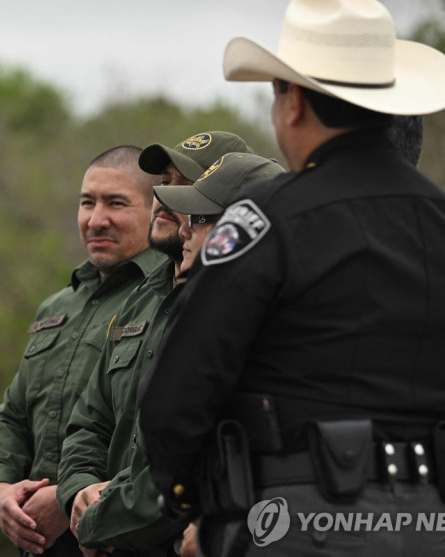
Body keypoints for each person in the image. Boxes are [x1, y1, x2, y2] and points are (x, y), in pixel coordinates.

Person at [139, 1, 445, 556]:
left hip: (297, 527)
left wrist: (190, 503)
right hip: (435, 528)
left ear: (294, 101)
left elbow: (175, 394)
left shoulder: (264, 219)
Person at [58, 147, 283, 556]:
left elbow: (181, 462)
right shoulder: (155, 301)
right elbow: (90, 421)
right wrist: (79, 494)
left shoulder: (254, 327)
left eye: (198, 217)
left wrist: (100, 522)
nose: (183, 230)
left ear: (241, 229)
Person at [0, 146, 166, 556]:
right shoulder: (57, 307)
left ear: (158, 210)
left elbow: (158, 434)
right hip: (35, 538)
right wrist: (0, 488)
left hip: (117, 537)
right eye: (87, 203)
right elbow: (11, 415)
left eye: (116, 203)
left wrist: (69, 499)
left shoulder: (167, 299)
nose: (96, 219)